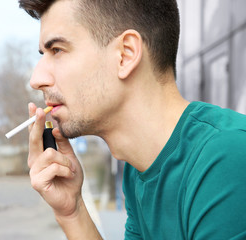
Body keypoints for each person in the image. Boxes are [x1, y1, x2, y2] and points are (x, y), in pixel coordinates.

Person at [18, 0, 246, 239]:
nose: (37, 79)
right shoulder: (139, 170)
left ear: (126, 54)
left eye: (57, 50)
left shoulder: (227, 160)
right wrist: (71, 212)